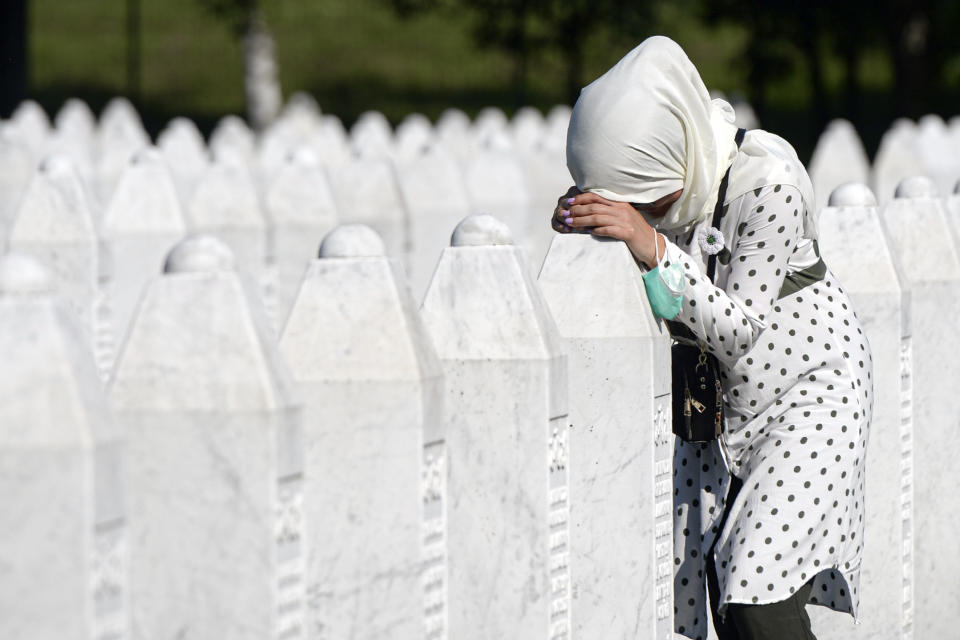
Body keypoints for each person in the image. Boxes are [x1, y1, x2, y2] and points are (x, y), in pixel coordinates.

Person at [553, 36, 872, 640]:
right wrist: (596, 225)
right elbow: (666, 278)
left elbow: (740, 329)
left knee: (756, 583)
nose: (647, 217)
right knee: (716, 591)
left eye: (648, 201)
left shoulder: (767, 183)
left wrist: (642, 242)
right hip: (720, 406)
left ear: (673, 156)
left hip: (810, 394)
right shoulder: (677, 190)